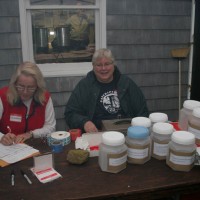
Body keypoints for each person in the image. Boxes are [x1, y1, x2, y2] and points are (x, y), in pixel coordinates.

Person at [64, 48, 149, 133]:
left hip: (126, 133)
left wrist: (136, 131)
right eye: (99, 65)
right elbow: (70, 113)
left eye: (107, 64)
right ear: (93, 66)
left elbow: (143, 112)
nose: (103, 68)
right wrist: (84, 122)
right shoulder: (84, 86)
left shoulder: (127, 84)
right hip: (97, 134)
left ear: (113, 65)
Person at [0, 62, 56, 145]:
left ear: (37, 86)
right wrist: (2, 137)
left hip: (36, 146)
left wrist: (31, 134)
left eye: (31, 88)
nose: (25, 92)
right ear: (14, 84)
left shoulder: (45, 97)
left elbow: (50, 127)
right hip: (9, 148)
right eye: (21, 86)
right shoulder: (3, 96)